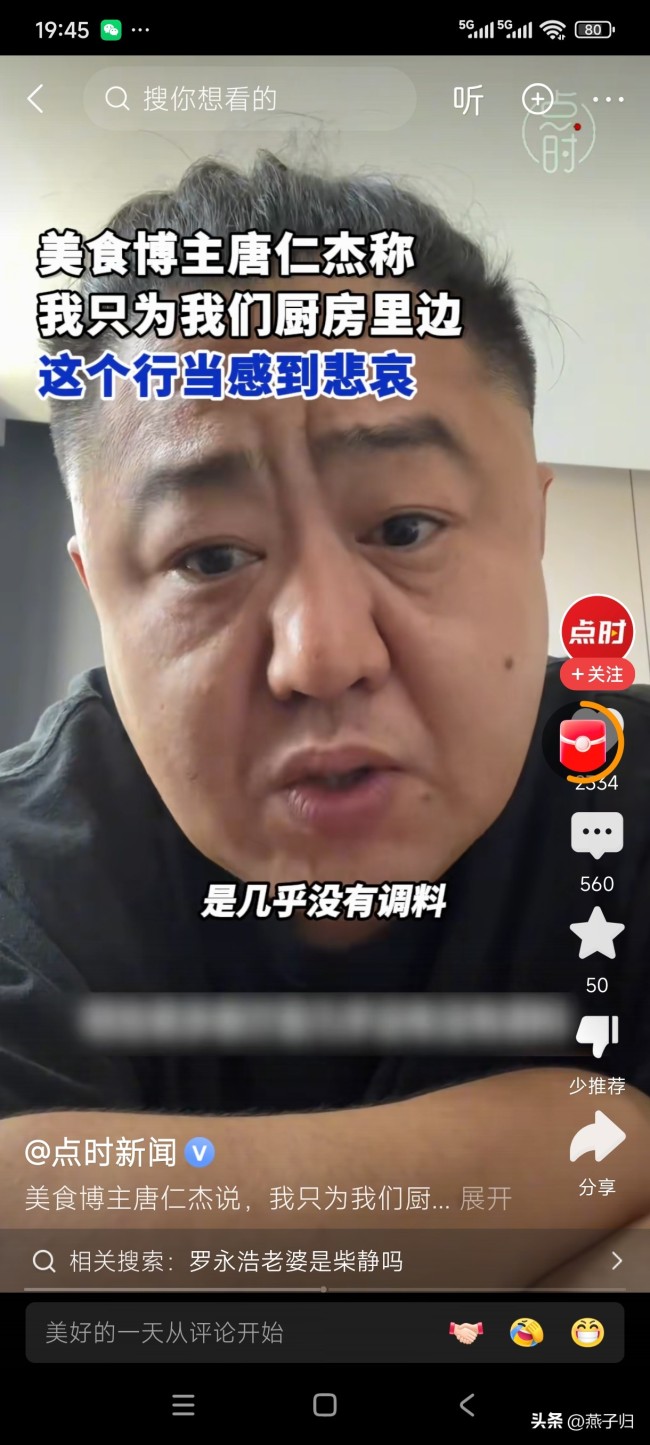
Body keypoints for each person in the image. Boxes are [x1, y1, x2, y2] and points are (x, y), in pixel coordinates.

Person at [1, 154, 649, 1286]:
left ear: (532, 529)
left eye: (403, 529)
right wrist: (587, 1137)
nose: (323, 654)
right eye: (210, 557)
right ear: (99, 592)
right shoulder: (29, 872)